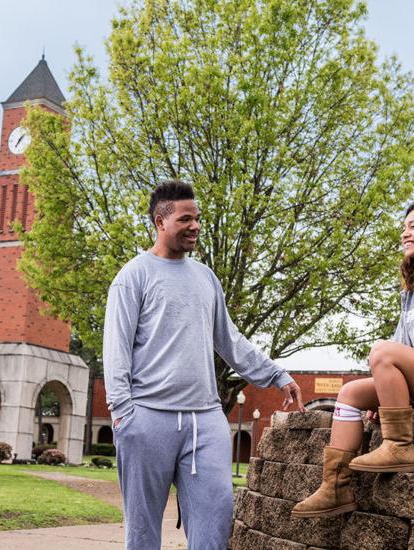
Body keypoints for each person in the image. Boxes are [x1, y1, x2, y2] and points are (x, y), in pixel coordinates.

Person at [103, 180, 304, 549]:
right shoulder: (133, 277)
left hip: (205, 421)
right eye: (185, 218)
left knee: (216, 522)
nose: (195, 225)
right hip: (146, 419)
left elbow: (231, 341)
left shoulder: (206, 278)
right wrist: (123, 414)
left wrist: (277, 375)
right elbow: (115, 350)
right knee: (143, 531)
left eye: (197, 218)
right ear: (160, 221)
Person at [292, 201, 414, 518]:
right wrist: (387, 394)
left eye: (413, 226)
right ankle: (336, 487)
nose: (405, 232)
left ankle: (399, 445)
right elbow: (399, 351)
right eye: (404, 227)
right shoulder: (411, 292)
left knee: (382, 350)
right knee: (350, 393)